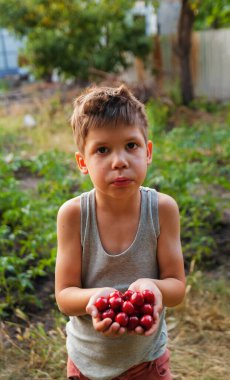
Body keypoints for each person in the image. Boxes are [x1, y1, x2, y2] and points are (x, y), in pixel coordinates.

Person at [55, 84, 186, 380]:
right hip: (87, 363)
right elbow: (64, 295)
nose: (120, 161)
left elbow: (176, 287)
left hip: (146, 362)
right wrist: (97, 300)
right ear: (82, 162)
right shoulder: (74, 215)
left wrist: (153, 289)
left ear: (148, 151)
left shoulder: (162, 210)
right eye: (102, 150)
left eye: (131, 145)